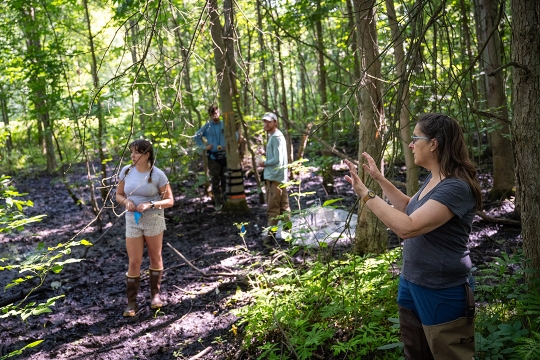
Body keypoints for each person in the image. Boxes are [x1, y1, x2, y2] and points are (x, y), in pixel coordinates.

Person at [344, 113, 482, 359]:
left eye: (416, 137)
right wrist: (378, 179)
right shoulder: (435, 177)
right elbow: (410, 208)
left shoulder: (456, 186)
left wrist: (366, 194)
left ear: (433, 144)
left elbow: (408, 227)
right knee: (416, 353)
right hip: (412, 282)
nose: (410, 143)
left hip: (442, 288)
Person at [116, 140, 174, 317]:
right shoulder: (126, 171)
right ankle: (131, 303)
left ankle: (155, 296)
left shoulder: (157, 174)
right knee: (134, 261)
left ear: (146, 155)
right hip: (132, 219)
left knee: (155, 256)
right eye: (131, 152)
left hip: (154, 219)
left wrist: (152, 204)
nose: (132, 156)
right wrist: (127, 202)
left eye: (136, 152)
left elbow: (170, 201)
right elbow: (118, 195)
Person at [257, 112, 291, 244]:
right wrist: (265, 153)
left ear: (275, 122)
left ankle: (269, 237)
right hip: (279, 177)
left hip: (275, 178)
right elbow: (278, 155)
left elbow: (277, 160)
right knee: (284, 207)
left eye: (269, 121)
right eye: (264, 121)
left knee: (273, 208)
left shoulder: (276, 137)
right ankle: (289, 235)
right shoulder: (276, 136)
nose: (266, 124)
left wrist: (263, 163)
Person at [194, 105, 227, 211]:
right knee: (215, 181)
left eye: (216, 113)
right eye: (212, 114)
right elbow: (196, 137)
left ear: (220, 113)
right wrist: (204, 147)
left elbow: (234, 135)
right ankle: (218, 203)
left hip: (225, 156)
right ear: (210, 115)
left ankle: (226, 202)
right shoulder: (207, 126)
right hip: (213, 157)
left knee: (225, 180)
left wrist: (230, 146)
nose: (215, 115)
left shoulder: (225, 124)